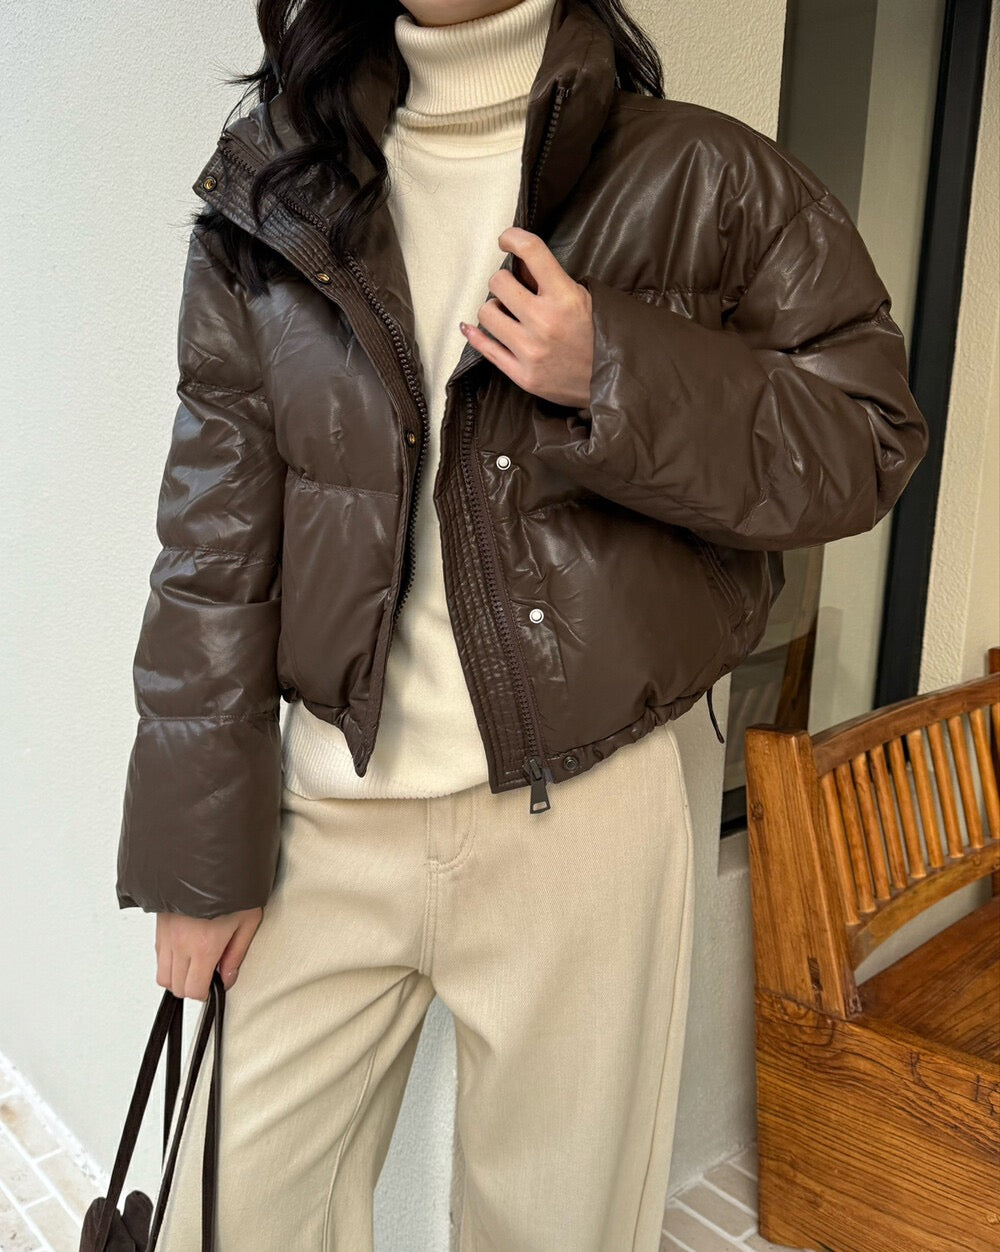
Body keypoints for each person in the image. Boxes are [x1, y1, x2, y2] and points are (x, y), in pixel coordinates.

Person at [115, 0, 930, 1247]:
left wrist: (613, 368)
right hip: (323, 817)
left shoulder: (702, 174)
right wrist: (198, 859)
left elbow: (867, 438)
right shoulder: (274, 187)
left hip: (586, 826)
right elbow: (213, 548)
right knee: (225, 1217)